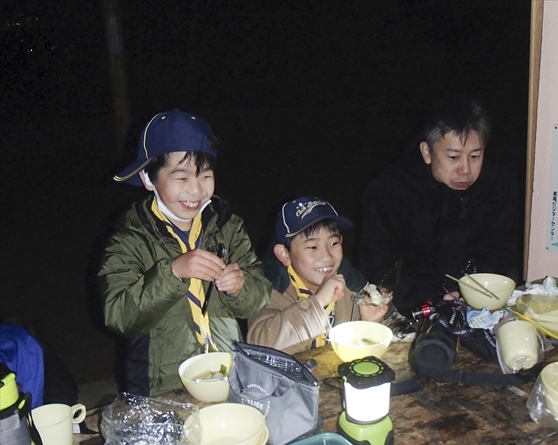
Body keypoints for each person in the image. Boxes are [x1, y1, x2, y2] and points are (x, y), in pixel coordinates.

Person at [98, 110, 271, 396]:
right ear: (148, 178)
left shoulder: (227, 225)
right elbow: (118, 316)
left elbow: (259, 296)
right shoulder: (129, 239)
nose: (196, 189)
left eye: (205, 175)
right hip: (163, 386)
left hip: (228, 371)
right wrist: (173, 272)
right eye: (180, 177)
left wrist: (240, 287)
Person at [358, 96, 520, 315]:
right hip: (411, 305)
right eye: (453, 157)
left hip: (478, 301)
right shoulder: (391, 189)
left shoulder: (498, 184)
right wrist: (433, 296)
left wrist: (471, 290)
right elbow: (378, 262)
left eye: (475, 156)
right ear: (427, 152)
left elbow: (502, 249)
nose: (465, 169)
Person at [247, 196, 390, 354]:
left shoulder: (353, 286)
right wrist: (318, 302)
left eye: (334, 243)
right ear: (284, 254)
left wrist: (370, 324)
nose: (327, 256)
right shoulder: (267, 290)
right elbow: (259, 347)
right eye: (313, 247)